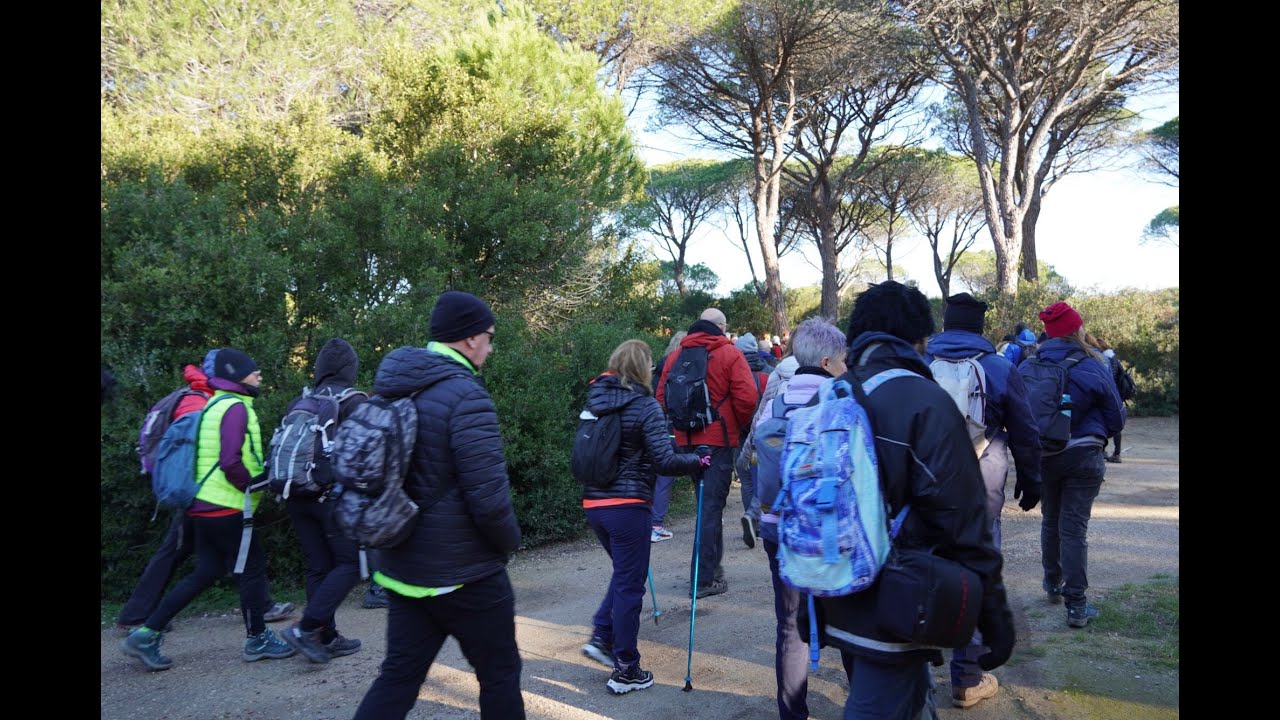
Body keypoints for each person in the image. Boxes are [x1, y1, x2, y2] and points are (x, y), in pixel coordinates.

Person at [821, 281, 1015, 720]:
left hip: (832, 578)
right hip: (897, 593)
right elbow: (964, 520)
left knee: (882, 693)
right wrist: (993, 613)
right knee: (883, 705)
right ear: (919, 337)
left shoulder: (835, 391)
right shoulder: (923, 401)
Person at [351, 290, 524, 720]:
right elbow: (489, 501)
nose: (490, 345)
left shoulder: (390, 389)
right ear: (468, 340)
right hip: (465, 573)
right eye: (489, 336)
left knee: (398, 677)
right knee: (500, 675)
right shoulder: (466, 396)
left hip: (403, 569)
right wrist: (510, 543)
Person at [121, 348, 296, 671]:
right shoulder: (234, 408)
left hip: (202, 504)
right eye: (252, 370)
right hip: (226, 505)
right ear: (235, 375)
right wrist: (254, 483)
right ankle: (257, 638)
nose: (259, 375)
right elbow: (230, 460)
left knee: (207, 571)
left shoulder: (214, 404)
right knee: (252, 567)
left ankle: (147, 633)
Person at [925, 293, 1043, 709]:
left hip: (926, 489)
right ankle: (966, 679)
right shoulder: (998, 367)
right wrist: (1032, 481)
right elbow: (1026, 431)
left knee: (922, 570)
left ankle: (918, 669)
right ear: (980, 328)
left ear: (945, 325)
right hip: (981, 491)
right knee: (972, 577)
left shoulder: (920, 367)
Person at [579, 340, 710, 694]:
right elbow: (664, 460)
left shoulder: (595, 403)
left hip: (594, 506)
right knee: (629, 584)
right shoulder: (644, 405)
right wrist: (698, 460)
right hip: (628, 506)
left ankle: (603, 637)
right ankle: (625, 669)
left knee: (625, 575)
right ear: (643, 368)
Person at [743, 317, 856, 719]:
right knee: (848, 623)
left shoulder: (775, 400)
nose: (846, 366)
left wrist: (754, 512)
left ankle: (793, 713)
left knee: (790, 627)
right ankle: (862, 706)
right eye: (843, 360)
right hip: (830, 533)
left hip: (781, 530)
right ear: (827, 361)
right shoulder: (844, 400)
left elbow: (751, 461)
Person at [655, 307, 759, 599]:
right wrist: (735, 427)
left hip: (686, 442)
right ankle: (703, 579)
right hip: (717, 441)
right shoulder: (729, 354)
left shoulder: (676, 355)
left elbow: (661, 396)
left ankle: (712, 570)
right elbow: (747, 397)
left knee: (706, 504)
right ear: (723, 327)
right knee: (710, 507)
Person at [1035, 303, 1126, 628]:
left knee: (1051, 520)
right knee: (1073, 527)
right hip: (1084, 453)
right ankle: (1076, 606)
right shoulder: (1093, 364)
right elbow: (1117, 418)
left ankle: (1052, 584)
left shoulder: (1033, 363)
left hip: (1045, 455)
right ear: (1077, 330)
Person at [279, 338, 368, 663]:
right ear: (350, 369)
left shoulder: (299, 402)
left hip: (295, 494)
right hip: (330, 498)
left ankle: (325, 636)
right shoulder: (353, 400)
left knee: (319, 566)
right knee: (351, 564)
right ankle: (306, 628)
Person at [648, 331, 686, 543]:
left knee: (660, 478)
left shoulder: (658, 369)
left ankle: (653, 523)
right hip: (677, 427)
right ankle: (708, 515)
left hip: (657, 426)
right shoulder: (685, 367)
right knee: (697, 469)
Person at [733, 332, 770, 548]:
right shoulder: (770, 372)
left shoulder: (735, 372)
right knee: (764, 480)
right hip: (765, 436)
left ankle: (752, 522)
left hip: (741, 434)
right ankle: (761, 522)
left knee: (746, 480)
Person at [1087, 333, 1127, 464]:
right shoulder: (1111, 357)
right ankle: (1115, 452)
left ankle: (1112, 452)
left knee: (1107, 423)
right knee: (1113, 423)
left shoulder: (1105, 358)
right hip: (1116, 393)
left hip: (1110, 394)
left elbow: (1110, 377)